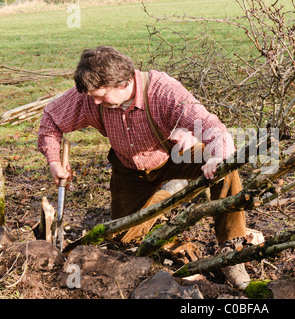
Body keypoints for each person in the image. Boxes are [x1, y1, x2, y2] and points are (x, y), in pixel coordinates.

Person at [37, 46, 252, 290]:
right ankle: (169, 194)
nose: (94, 101)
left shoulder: (162, 90)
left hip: (175, 153)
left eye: (100, 95)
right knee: (121, 235)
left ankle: (232, 251)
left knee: (226, 169)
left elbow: (213, 128)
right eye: (92, 96)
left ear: (122, 83)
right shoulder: (91, 95)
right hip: (129, 168)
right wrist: (54, 161)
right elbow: (51, 119)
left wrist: (217, 157)